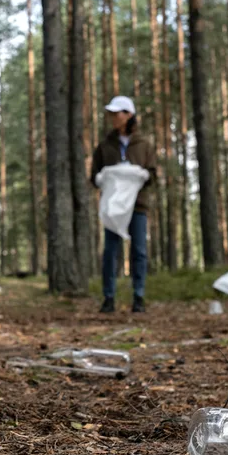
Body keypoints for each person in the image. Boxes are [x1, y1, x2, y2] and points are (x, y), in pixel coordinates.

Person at [90, 96, 158, 314]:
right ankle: (108, 297)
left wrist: (142, 176)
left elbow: (154, 175)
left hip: (137, 207)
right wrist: (100, 179)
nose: (112, 117)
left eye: (116, 113)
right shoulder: (105, 145)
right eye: (110, 113)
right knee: (111, 251)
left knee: (139, 251)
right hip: (113, 208)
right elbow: (94, 174)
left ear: (128, 115)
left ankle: (138, 297)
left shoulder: (144, 144)